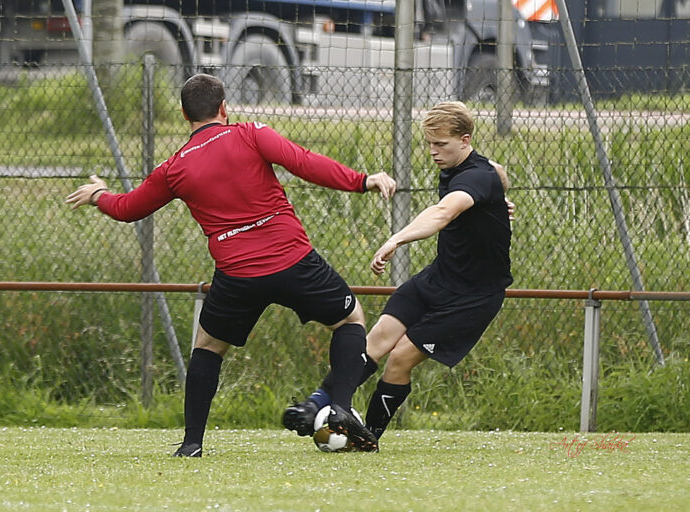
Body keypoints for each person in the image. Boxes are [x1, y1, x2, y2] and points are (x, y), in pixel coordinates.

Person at [65, 73, 396, 457]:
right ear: (224, 107)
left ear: (185, 114)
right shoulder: (251, 133)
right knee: (350, 319)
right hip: (293, 259)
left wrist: (99, 195)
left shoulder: (174, 168)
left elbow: (128, 208)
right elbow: (304, 162)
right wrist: (361, 181)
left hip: (238, 275)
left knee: (207, 347)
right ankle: (339, 406)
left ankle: (192, 444)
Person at [286, 101, 513, 442]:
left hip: (473, 295)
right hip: (439, 277)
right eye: (429, 143)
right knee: (375, 339)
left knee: (400, 357)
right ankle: (314, 405)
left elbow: (443, 212)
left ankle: (368, 436)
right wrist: (498, 197)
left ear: (465, 140)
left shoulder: (477, 176)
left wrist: (397, 238)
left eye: (441, 144)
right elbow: (498, 171)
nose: (433, 152)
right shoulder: (472, 168)